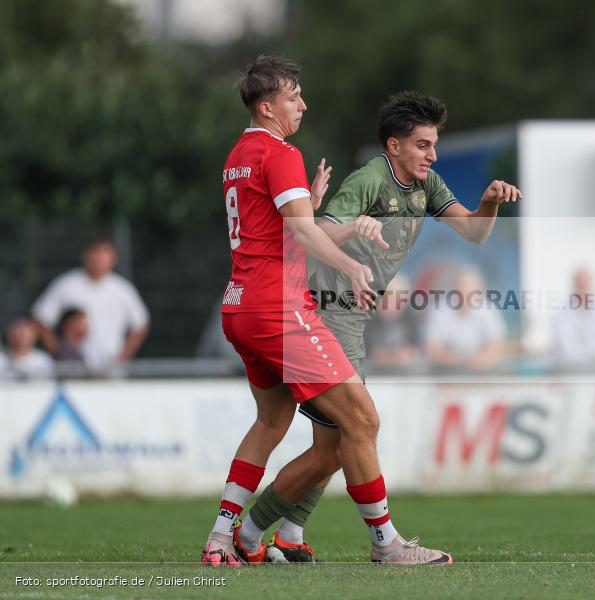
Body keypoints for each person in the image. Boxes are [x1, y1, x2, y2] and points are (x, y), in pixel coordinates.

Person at [236, 90, 521, 562]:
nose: (432, 154)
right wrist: (355, 233)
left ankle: (272, 538)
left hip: (350, 316)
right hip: (327, 313)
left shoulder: (427, 185)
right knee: (355, 429)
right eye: (423, 145)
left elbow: (473, 231)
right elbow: (317, 231)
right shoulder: (369, 180)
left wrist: (488, 202)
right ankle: (380, 544)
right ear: (394, 146)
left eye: (434, 145)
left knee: (333, 448)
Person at [200, 56, 452, 567]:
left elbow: (281, 229)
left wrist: (312, 208)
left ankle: (223, 539)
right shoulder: (280, 151)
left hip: (240, 308)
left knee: (271, 424)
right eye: (294, 95)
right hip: (279, 309)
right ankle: (387, 545)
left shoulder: (238, 154)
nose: (303, 103)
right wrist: (350, 265)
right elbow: (301, 233)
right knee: (361, 419)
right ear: (268, 106)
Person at [31, 238, 149, 376]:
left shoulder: (122, 289)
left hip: (111, 370)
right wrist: (61, 352)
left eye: (104, 256)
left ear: (113, 259)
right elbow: (40, 319)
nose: (99, 260)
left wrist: (122, 358)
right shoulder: (67, 285)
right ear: (85, 256)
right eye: (95, 255)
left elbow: (141, 324)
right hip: (74, 371)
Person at [425, 266, 507, 372]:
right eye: (462, 289)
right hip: (446, 373)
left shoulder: (488, 309)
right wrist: (457, 361)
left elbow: (497, 346)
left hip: (482, 373)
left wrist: (481, 360)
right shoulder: (440, 309)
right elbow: (432, 349)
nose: (466, 294)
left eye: (470, 291)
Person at [552, 266, 595, 368]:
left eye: (586, 283)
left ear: (591, 284)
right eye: (580, 284)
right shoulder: (562, 312)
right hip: (569, 371)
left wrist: (583, 348)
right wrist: (592, 350)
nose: (583, 288)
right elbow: (567, 349)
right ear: (574, 285)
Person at [363, 273, 420, 372]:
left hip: (403, 374)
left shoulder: (410, 316)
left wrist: (407, 352)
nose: (393, 306)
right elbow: (370, 353)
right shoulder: (366, 318)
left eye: (398, 300)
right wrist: (389, 356)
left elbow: (415, 347)